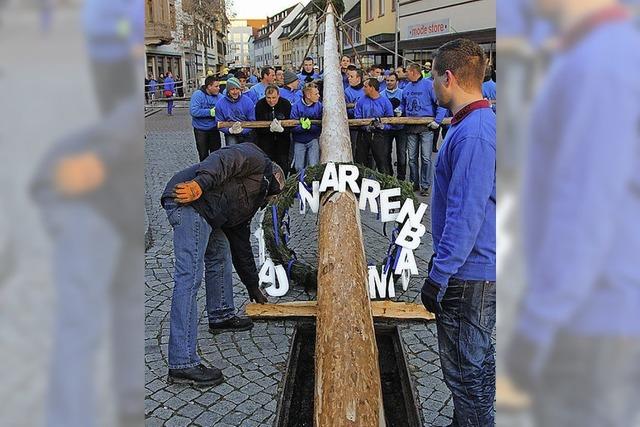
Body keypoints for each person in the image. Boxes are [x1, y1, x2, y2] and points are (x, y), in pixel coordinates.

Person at [161, 143, 286, 386]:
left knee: (221, 255)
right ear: (276, 179)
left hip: (211, 213)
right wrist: (199, 185)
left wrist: (253, 287)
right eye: (273, 197)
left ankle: (221, 314)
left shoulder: (250, 204)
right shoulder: (257, 159)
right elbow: (223, 159)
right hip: (189, 202)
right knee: (188, 278)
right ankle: (182, 363)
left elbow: (242, 246)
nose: (270, 202)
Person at [420, 38, 496, 427]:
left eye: (433, 76)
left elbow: (466, 215)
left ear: (448, 78)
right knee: (475, 364)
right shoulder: (473, 124)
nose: (431, 84)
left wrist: (438, 275)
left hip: (469, 274)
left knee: (466, 371)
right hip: (474, 269)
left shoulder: (474, 134)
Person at [402, 63, 446, 196]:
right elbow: (403, 105)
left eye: (407, 72)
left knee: (426, 158)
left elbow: (441, 103)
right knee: (412, 158)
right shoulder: (406, 88)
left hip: (426, 127)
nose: (405, 74)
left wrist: (437, 121)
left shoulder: (429, 86)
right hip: (410, 128)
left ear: (414, 72)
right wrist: (400, 112)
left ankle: (425, 186)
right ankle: (413, 184)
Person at [354, 78, 394, 174]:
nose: (363, 88)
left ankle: (386, 182)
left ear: (372, 88)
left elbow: (391, 121)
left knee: (382, 161)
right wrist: (365, 127)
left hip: (380, 135)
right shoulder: (361, 101)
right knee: (361, 160)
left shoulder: (385, 102)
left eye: (365, 86)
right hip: (364, 134)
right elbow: (357, 117)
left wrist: (382, 126)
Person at [254, 85, 292, 172]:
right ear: (265, 96)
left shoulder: (286, 104)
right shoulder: (260, 105)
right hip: (265, 140)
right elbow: (257, 126)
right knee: (266, 164)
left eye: (274, 98)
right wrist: (269, 130)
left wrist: (282, 130)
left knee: (283, 163)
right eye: (269, 98)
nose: (271, 101)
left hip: (282, 140)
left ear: (278, 95)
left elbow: (291, 124)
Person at [291, 82, 323, 171]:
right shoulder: (296, 106)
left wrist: (310, 127)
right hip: (299, 140)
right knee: (298, 166)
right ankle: (300, 183)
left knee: (313, 165)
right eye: (316, 94)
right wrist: (303, 127)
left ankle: (312, 183)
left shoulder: (319, 106)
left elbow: (321, 125)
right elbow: (292, 127)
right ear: (308, 95)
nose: (319, 96)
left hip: (313, 139)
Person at [190, 75, 223, 161]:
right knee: (203, 154)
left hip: (214, 129)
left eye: (219, 86)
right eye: (216, 86)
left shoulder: (219, 97)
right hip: (200, 130)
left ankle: (216, 173)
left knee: (216, 155)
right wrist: (210, 112)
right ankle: (204, 172)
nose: (219, 88)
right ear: (209, 87)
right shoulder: (197, 95)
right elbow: (194, 111)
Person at [215, 77, 256, 145]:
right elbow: (219, 122)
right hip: (230, 132)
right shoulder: (220, 103)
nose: (235, 92)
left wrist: (243, 130)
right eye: (232, 89)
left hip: (246, 132)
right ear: (228, 90)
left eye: (237, 89)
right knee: (232, 151)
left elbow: (252, 120)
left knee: (247, 152)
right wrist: (229, 130)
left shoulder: (248, 102)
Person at [382, 72, 407, 180]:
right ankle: (389, 176)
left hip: (401, 128)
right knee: (386, 152)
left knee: (401, 154)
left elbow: (406, 106)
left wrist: (401, 111)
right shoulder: (382, 94)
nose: (389, 83)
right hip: (387, 128)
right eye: (387, 80)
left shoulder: (403, 93)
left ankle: (401, 178)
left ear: (397, 81)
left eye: (392, 80)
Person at [345, 67, 365, 156]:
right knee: (353, 149)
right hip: (353, 125)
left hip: (366, 124)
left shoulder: (365, 89)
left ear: (358, 78)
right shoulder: (347, 91)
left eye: (351, 76)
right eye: (348, 76)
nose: (348, 78)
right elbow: (346, 109)